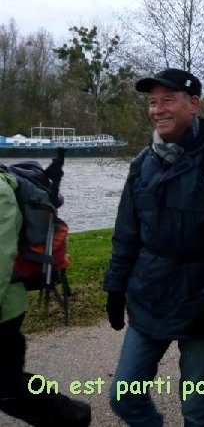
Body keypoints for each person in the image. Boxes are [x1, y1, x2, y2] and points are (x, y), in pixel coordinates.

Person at [103, 68, 204, 427]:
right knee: (123, 397)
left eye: (167, 100)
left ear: (193, 105)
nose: (157, 109)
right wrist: (115, 285)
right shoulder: (142, 164)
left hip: (203, 305)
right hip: (151, 296)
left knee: (197, 409)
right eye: (152, 102)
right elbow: (127, 233)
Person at [1, 166, 91, 426]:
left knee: (10, 386)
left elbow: (1, 258)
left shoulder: (1, 191)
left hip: (4, 310)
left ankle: (71, 416)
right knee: (8, 383)